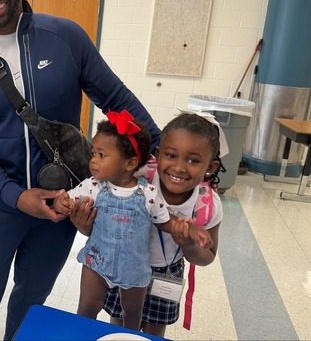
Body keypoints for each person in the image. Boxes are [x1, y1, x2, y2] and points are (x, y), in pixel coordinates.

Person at [0, 0, 161, 341]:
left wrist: (163, 149)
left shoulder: (65, 37)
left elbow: (114, 97)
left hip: (63, 202)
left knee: (33, 295)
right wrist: (14, 195)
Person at [72, 111, 225, 338]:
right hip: (123, 262)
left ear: (210, 167)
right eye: (171, 156)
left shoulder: (207, 204)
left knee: (153, 331)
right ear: (158, 154)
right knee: (121, 323)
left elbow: (208, 256)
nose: (179, 167)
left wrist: (189, 245)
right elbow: (106, 209)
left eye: (193, 160)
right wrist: (84, 226)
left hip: (167, 272)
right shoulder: (138, 176)